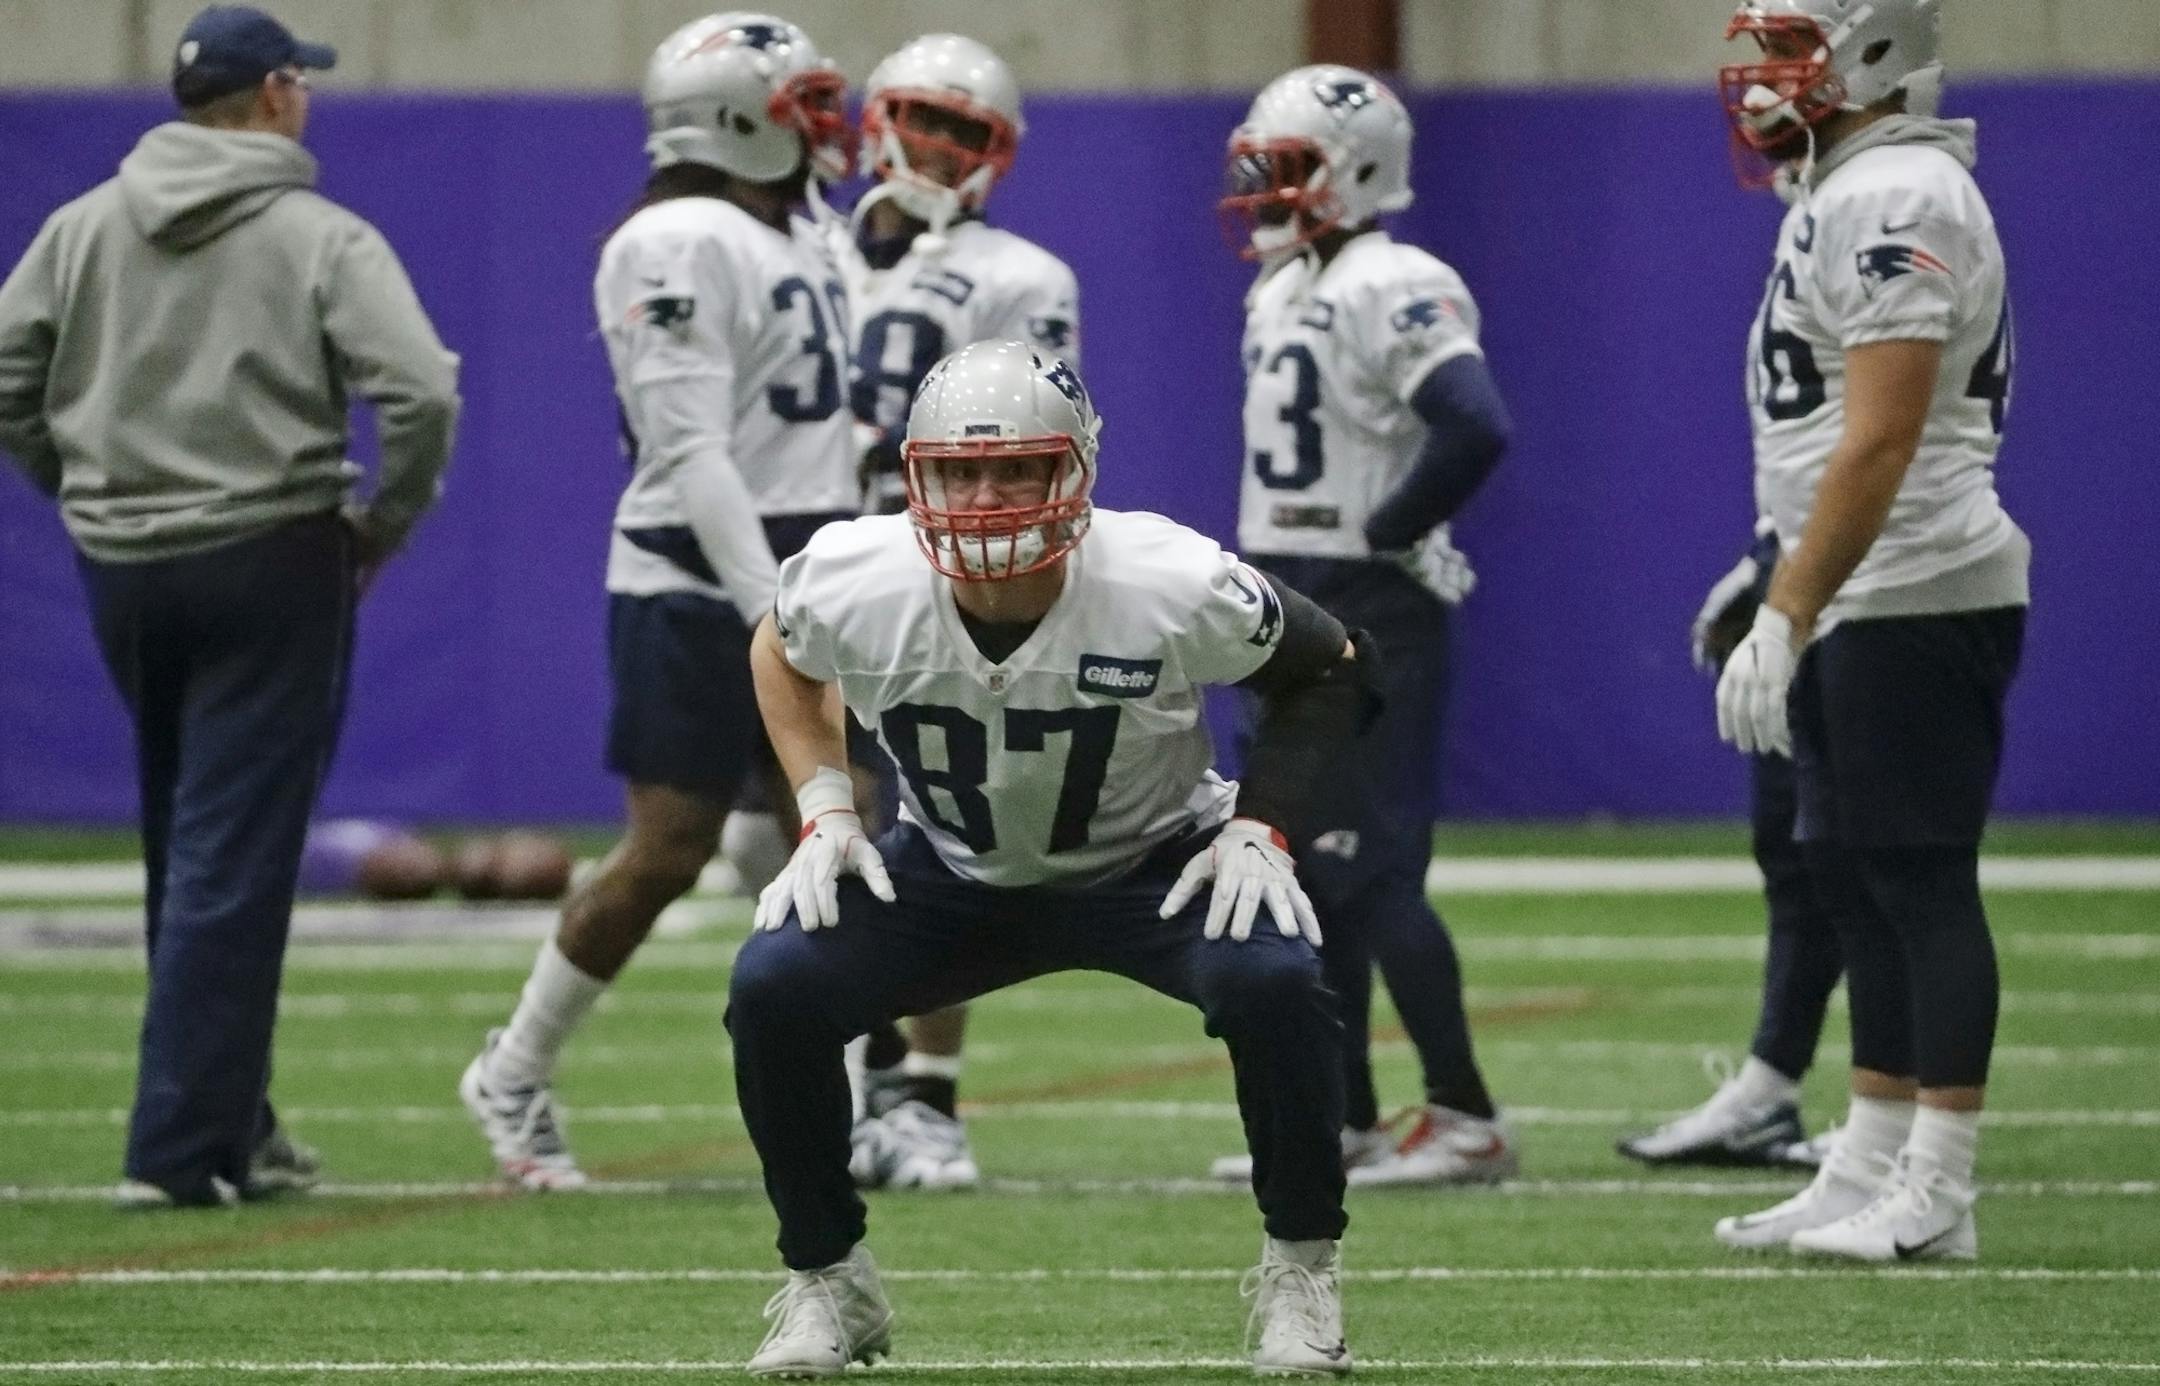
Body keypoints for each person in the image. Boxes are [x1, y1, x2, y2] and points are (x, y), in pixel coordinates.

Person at [726, 341, 1369, 1377]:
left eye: (1019, 468)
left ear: (1076, 470)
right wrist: (825, 806)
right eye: (959, 470)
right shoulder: (857, 572)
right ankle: (827, 1282)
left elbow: (1335, 665)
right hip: (953, 871)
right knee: (775, 984)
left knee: (1276, 978)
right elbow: (777, 648)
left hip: (1156, 863)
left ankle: (1302, 1272)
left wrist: (1262, 823)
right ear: (913, 474)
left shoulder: (1165, 577)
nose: (987, 497)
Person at [0, 4, 459, 1209]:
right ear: (272, 100)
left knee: (191, 845)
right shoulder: (319, 234)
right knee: (235, 856)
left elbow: (10, 372)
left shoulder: (81, 225)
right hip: (271, 553)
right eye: (296, 83)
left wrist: (77, 486)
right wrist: (382, 525)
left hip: (124, 563)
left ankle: (237, 1121)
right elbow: (419, 387)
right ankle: (178, 1150)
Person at [457, 11, 857, 1192]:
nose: (823, 132)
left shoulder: (784, 232)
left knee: (841, 830)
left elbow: (795, 429)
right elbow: (693, 453)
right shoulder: (678, 237)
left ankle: (844, 1096)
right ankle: (515, 1067)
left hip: (797, 565)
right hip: (700, 578)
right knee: (664, 850)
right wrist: (772, 607)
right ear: (736, 117)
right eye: (801, 110)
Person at [1708, 0, 2026, 1261]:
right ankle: (1875, 1152)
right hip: (1856, 584)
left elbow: (1885, 431)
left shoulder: (1896, 191)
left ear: (1874, 52)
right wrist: (1775, 576)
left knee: (1920, 880)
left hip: (1917, 580)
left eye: (1792, 48)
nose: (1760, 77)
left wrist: (1790, 607)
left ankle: (1939, 1185)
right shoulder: (1845, 185)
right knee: (1852, 876)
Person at [1210, 65, 1516, 1187]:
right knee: (1304, 868)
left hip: (1365, 596)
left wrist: (1391, 529)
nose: (1264, 192)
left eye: (1288, 171)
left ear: (1359, 171)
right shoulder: (1284, 287)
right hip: (1288, 582)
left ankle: (1466, 1114)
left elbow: (1474, 425)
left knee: (1374, 867)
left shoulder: (1398, 277)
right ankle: (1343, 1118)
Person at [812, 31, 1083, 1193]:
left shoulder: (1021, 274)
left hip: (943, 572)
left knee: (945, 819)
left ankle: (923, 1094)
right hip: (818, 564)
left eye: (963, 130)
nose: (932, 145)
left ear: (998, 154)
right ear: (876, 120)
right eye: (920, 117)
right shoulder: (805, 250)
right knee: (801, 833)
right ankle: (854, 1077)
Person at [1618, 520, 1845, 1169]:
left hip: (1879, 579)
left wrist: (1781, 584)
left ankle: (1903, 1126)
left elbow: (1876, 448)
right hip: (1803, 564)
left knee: (1882, 865)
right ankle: (1769, 1091)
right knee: (1797, 854)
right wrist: (1765, 557)